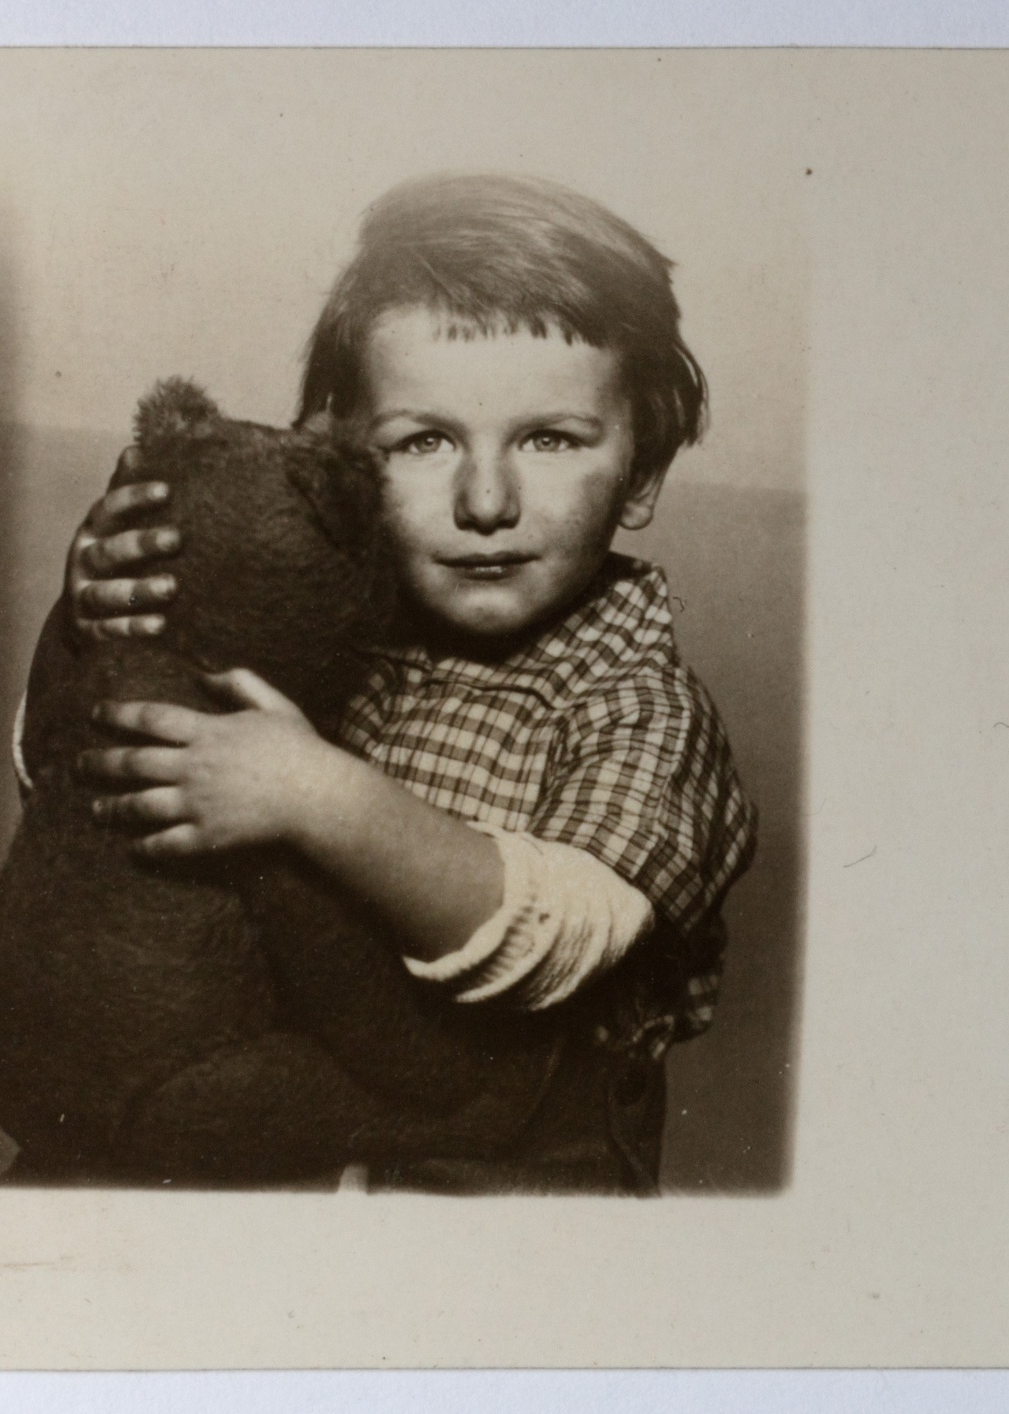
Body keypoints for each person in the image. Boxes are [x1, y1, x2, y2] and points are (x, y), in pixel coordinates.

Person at [47, 172, 755, 1193]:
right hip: (275, 1156)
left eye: (549, 439)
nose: (485, 501)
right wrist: (101, 623)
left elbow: (554, 941)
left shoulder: (644, 709)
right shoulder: (326, 625)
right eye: (423, 441)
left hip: (509, 1190)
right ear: (340, 459)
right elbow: (93, 795)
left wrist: (313, 793)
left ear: (641, 472)